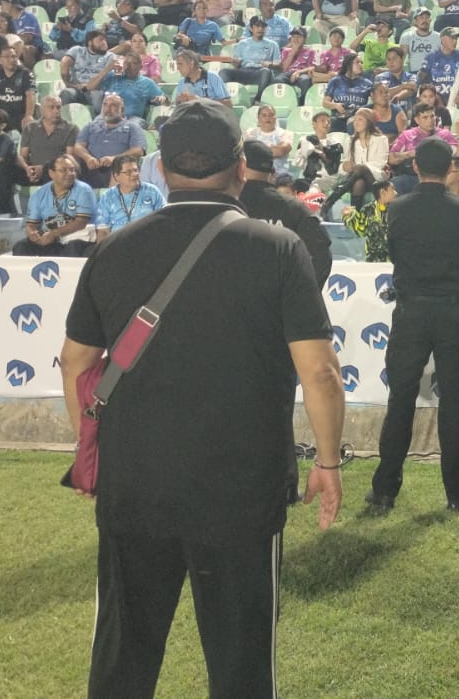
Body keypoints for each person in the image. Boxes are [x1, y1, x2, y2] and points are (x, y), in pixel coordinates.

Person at [59, 100, 345, 697]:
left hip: (135, 481)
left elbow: (77, 362)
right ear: (240, 168)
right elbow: (319, 372)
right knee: (242, 667)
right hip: (240, 488)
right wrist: (327, 460)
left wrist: (93, 445)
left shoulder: (114, 249)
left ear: (161, 169)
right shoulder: (278, 248)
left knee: (122, 660)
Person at [367, 138, 459, 515]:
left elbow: (394, 253)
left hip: (411, 312)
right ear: (450, 167)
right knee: (454, 402)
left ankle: (384, 491)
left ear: (415, 166)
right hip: (452, 312)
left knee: (400, 399)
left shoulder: (397, 208)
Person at [238, 140, 333, 288]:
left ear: (240, 166)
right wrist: (301, 294)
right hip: (281, 296)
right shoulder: (295, 208)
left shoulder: (226, 205)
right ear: (273, 172)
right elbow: (321, 255)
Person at [13, 155, 95, 257]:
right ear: (51, 173)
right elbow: (31, 224)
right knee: (21, 247)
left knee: (72, 249)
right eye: (64, 170)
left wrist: (55, 233)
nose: (70, 173)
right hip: (50, 239)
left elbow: (81, 222)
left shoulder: (84, 190)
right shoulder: (39, 194)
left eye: (72, 170)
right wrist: (32, 234)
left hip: (77, 237)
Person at [92, 156, 165, 239]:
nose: (134, 174)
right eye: (128, 172)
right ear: (116, 176)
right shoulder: (107, 196)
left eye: (136, 170)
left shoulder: (152, 191)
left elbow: (163, 220)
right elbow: (103, 230)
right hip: (118, 242)